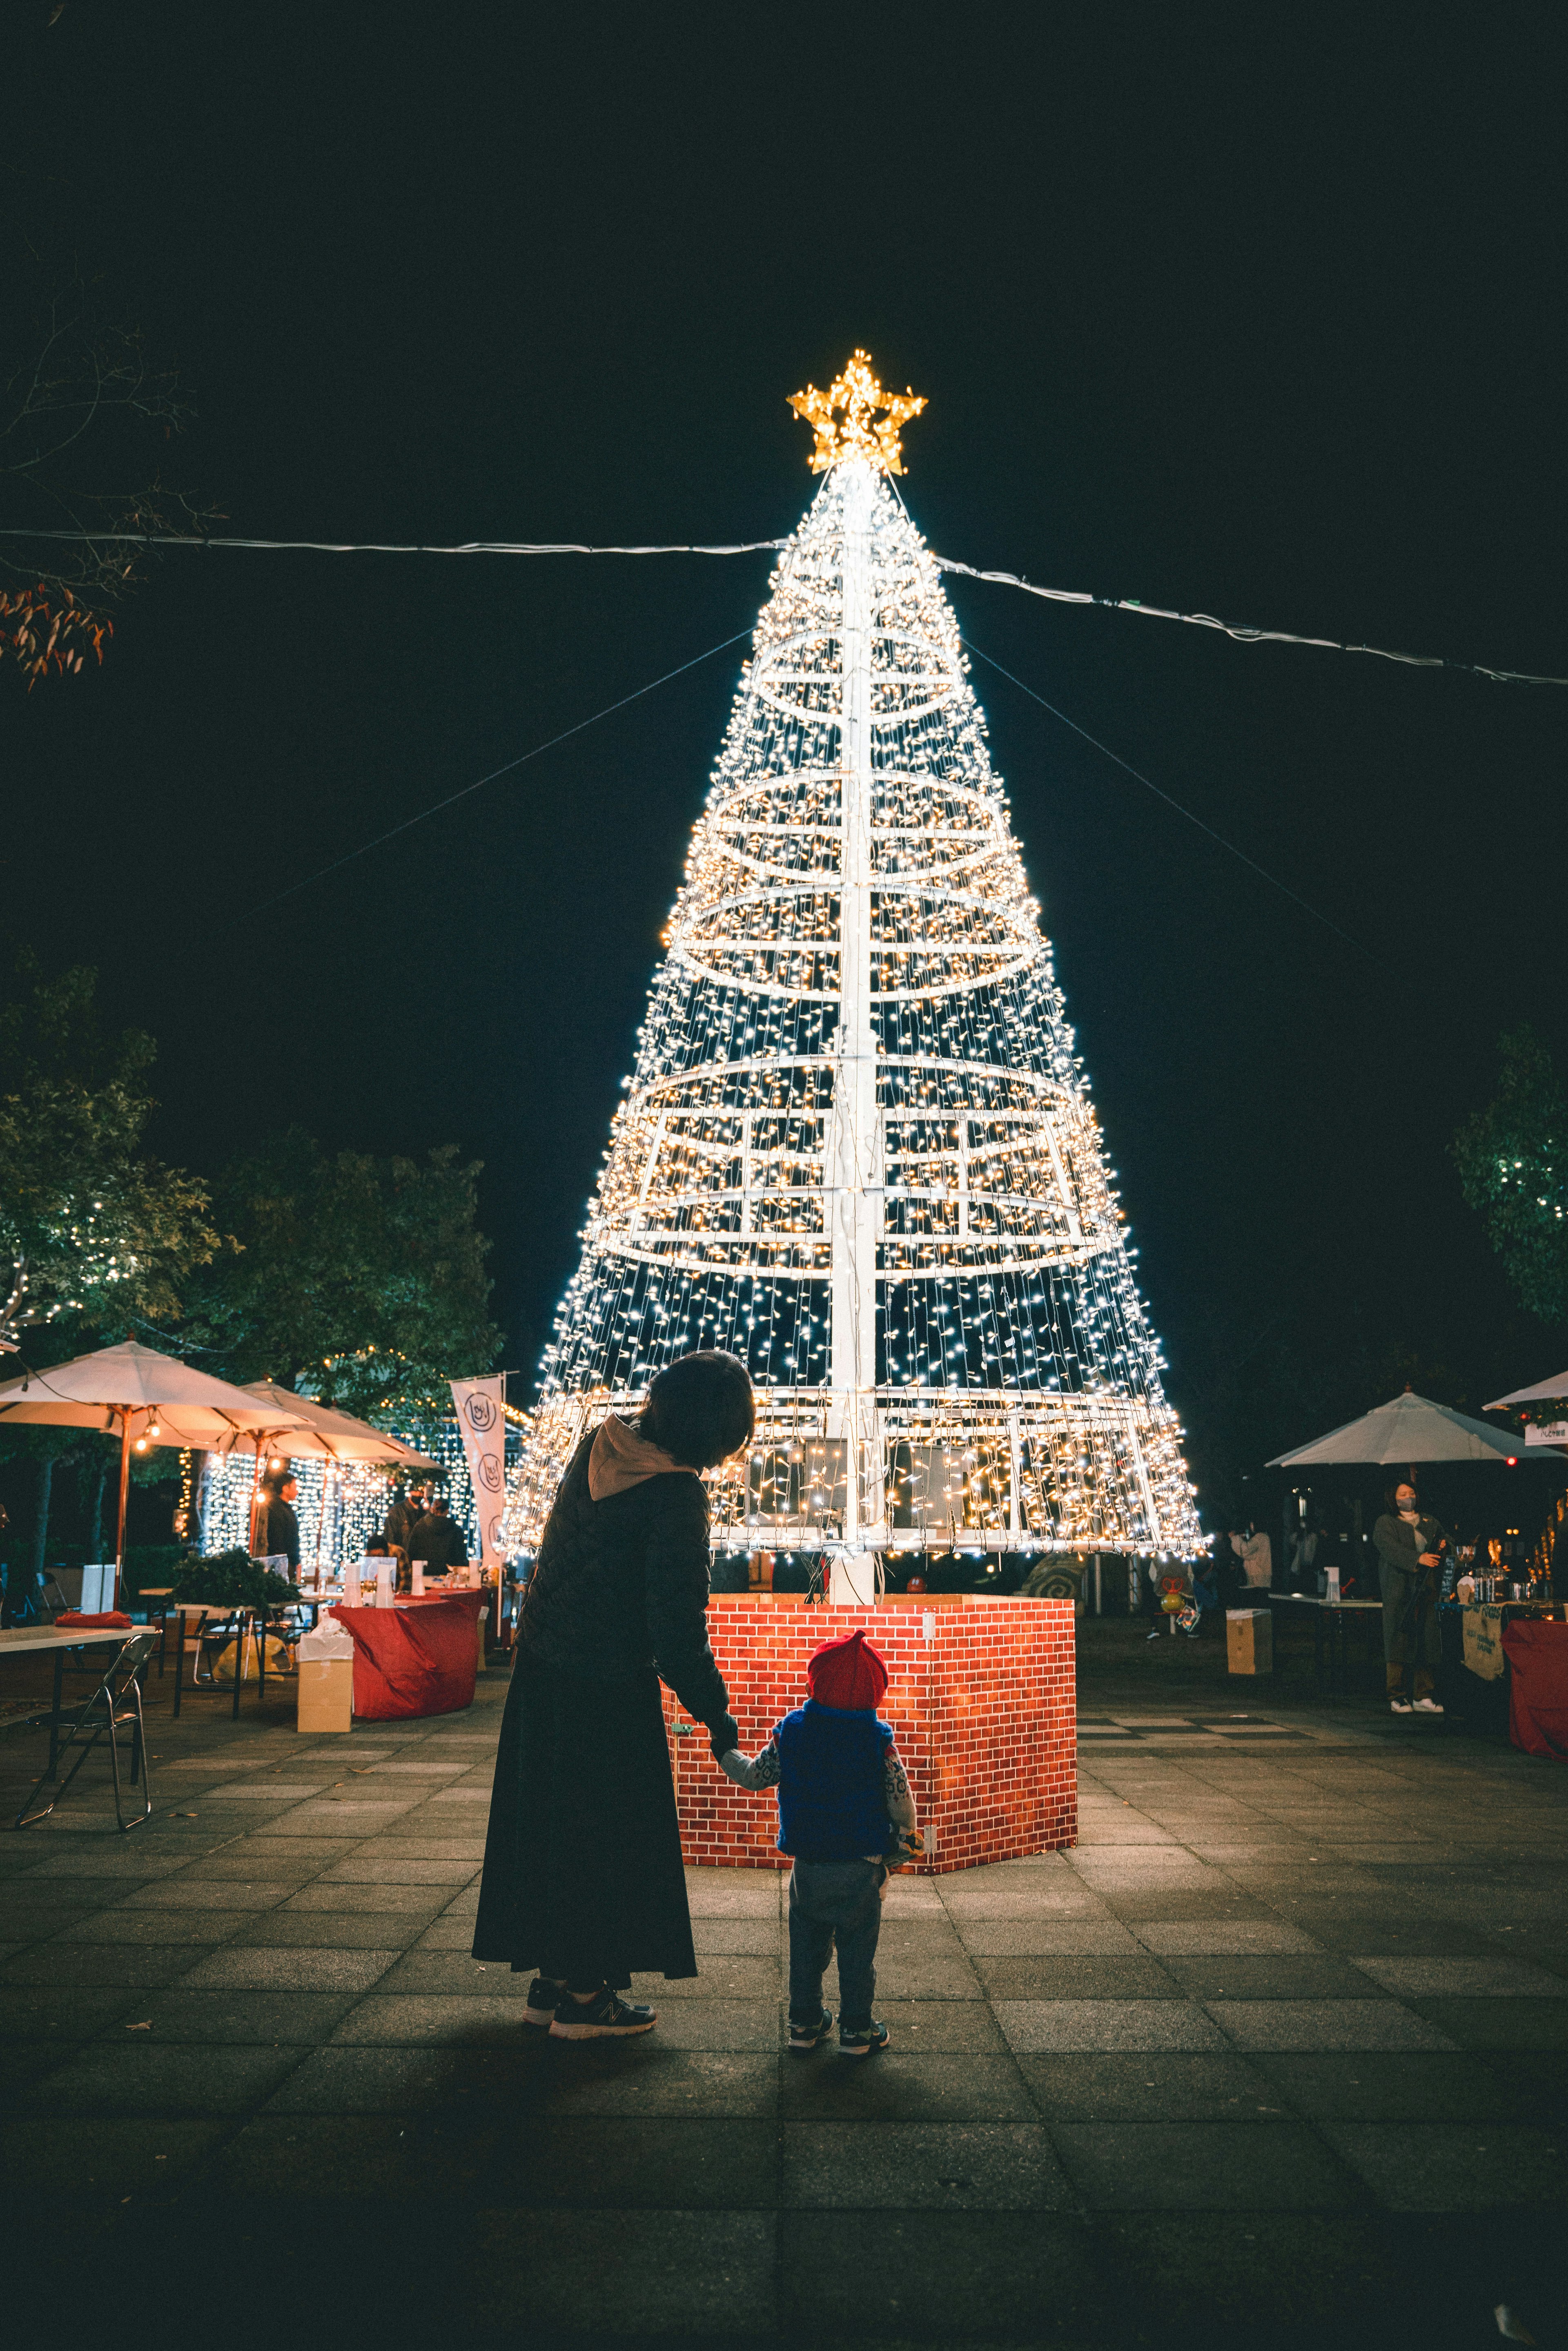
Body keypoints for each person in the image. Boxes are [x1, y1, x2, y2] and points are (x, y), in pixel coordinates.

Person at [472, 1348, 755, 2039]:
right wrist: (718, 1716)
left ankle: (552, 1979)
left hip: (543, 1668)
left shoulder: (600, 1446)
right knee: (601, 1837)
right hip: (605, 1685)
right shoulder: (675, 1492)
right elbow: (676, 1624)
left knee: (551, 1826)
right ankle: (584, 1999)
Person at [718, 1626, 917, 2055]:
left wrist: (725, 1753)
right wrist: (906, 1840)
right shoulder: (878, 1738)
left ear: (816, 1681)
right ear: (876, 1690)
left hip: (808, 1865)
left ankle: (805, 2024)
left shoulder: (792, 1732)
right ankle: (856, 2032)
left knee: (806, 1950)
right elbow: (900, 1799)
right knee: (857, 1953)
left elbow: (755, 1777)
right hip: (863, 1866)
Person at [1372, 1479, 1446, 1714]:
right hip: (1399, 1590)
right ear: (1393, 1499)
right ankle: (1397, 1695)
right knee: (1398, 1639)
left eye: (1411, 1492)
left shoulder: (1430, 1521)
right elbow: (1389, 1548)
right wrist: (1417, 1559)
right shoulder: (1386, 1523)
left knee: (1427, 1639)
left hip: (1427, 1589)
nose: (1408, 1497)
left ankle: (1423, 1694)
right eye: (1402, 1494)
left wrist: (1444, 1546)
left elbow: (1449, 1543)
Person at [405, 1493, 469, 1578]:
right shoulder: (455, 1529)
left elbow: (411, 1551)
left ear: (432, 1509)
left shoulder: (420, 1526)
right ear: (447, 1511)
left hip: (423, 1573)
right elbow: (460, 1556)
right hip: (447, 1574)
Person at [255, 1469, 301, 1571]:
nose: (297, 1491)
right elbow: (277, 1538)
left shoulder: (286, 1509)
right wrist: (283, 1562)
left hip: (288, 1562)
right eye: (295, 1487)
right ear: (285, 1489)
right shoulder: (277, 1510)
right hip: (282, 1563)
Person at [383, 1482, 427, 1553]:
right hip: (402, 1555)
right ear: (410, 1492)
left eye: (422, 1492)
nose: (419, 1495)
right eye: (416, 1492)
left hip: (419, 1556)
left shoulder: (424, 1512)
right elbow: (391, 1535)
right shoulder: (397, 1510)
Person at [1236, 1524, 1273, 1591]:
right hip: (1258, 1576)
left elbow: (1245, 1551)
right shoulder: (1263, 1537)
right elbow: (1251, 1555)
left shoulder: (1260, 1538)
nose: (1251, 1526)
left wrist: (1235, 1538)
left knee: (1258, 1596)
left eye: (1252, 1524)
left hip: (1258, 1576)